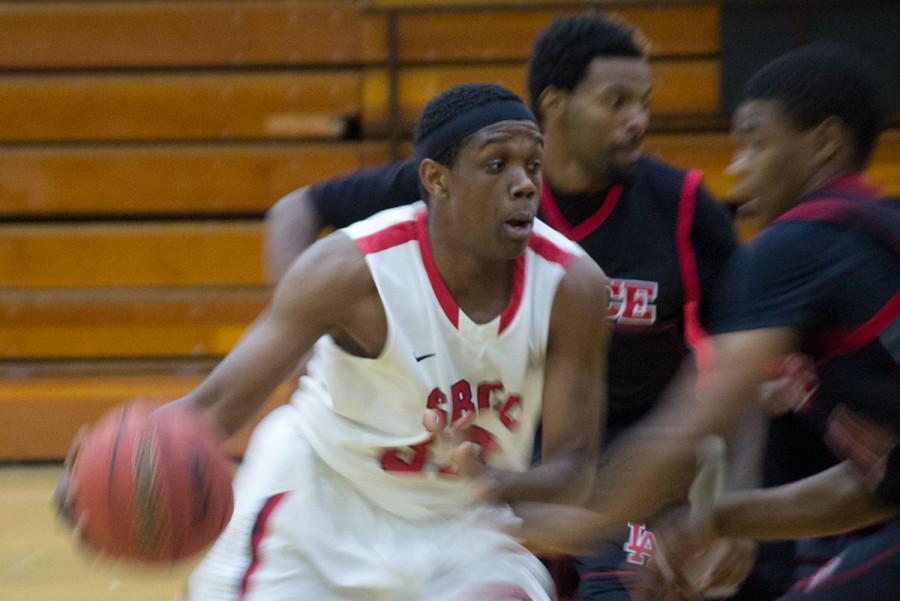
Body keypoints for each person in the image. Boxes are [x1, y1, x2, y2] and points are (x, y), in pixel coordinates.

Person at [265, 15, 753, 600]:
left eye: (644, 102)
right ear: (556, 104)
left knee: (621, 586)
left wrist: (730, 503)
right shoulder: (465, 185)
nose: (638, 121)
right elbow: (299, 207)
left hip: (625, 468)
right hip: (497, 452)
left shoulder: (682, 207)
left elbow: (744, 363)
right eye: (617, 101)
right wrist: (296, 334)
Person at [61, 83, 608, 600]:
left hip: (459, 525)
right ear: (437, 180)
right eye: (497, 164)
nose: (525, 183)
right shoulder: (350, 270)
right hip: (318, 501)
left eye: (532, 164)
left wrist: (499, 482)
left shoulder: (572, 288)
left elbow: (572, 472)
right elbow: (215, 406)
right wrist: (111, 475)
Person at [517, 43, 900, 601]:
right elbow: (877, 487)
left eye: (756, 142)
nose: (738, 167)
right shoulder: (872, 229)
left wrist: (577, 524)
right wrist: (716, 519)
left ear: (822, 143)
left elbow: (691, 423)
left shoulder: (801, 243)